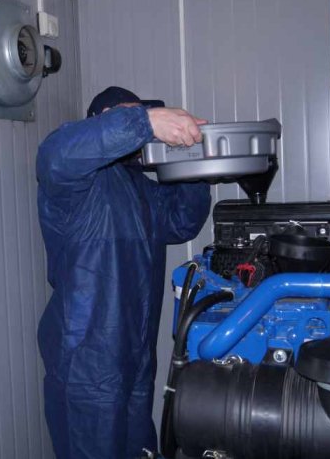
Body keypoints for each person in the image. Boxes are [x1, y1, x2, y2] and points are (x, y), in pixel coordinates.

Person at [36, 86, 211, 459]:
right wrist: (146, 122)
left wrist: (192, 161)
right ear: (101, 121)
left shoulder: (143, 189)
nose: (138, 126)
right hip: (86, 366)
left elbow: (183, 221)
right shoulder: (74, 180)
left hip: (136, 359)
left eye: (140, 115)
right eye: (127, 116)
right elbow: (56, 155)